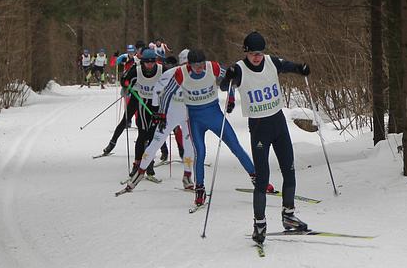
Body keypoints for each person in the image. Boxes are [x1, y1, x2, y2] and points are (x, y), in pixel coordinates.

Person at [220, 31, 311, 245]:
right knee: (262, 178)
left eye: (260, 53)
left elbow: (289, 66)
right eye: (253, 54)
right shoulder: (240, 69)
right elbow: (224, 86)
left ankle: (288, 216)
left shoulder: (271, 62)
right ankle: (259, 223)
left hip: (278, 123)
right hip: (259, 126)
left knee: (289, 169)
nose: (257, 57)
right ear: (246, 53)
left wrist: (301, 69)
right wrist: (229, 76)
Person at [157, 49, 256, 206]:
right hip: (195, 120)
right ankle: (200, 189)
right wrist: (162, 115)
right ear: (189, 64)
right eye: (196, 65)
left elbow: (230, 79)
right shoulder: (181, 73)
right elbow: (167, 93)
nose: (199, 68)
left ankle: (255, 177)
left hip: (215, 115)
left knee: (235, 146)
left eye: (202, 64)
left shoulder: (213, 67)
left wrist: (231, 98)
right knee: (200, 153)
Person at [123, 49, 196, 191]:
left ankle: (187, 176)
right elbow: (157, 89)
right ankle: (140, 172)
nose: (189, 67)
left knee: (189, 145)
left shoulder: (198, 73)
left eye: (191, 63)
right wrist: (158, 110)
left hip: (188, 115)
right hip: (169, 115)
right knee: (155, 142)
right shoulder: (171, 73)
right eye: (186, 63)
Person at [119, 49, 165, 179]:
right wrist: (127, 85)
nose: (150, 65)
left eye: (152, 62)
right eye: (147, 63)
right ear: (143, 62)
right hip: (143, 103)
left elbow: (173, 80)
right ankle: (137, 164)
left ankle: (149, 164)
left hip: (157, 105)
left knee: (154, 135)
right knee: (143, 134)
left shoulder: (162, 69)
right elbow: (124, 79)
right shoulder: (137, 69)